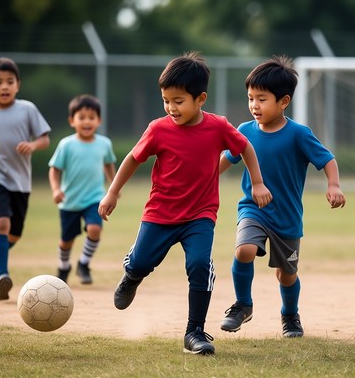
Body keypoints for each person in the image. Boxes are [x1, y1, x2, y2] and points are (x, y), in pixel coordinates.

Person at [98, 51, 272, 355]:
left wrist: (257, 183)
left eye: (179, 101)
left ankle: (194, 332)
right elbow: (132, 159)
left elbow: (245, 147)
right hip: (159, 213)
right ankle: (132, 274)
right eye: (166, 100)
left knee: (199, 266)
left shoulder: (218, 126)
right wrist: (113, 192)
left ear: (200, 98)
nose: (171, 108)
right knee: (140, 261)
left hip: (200, 216)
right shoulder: (158, 128)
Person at [219, 55, 346, 338]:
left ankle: (290, 315)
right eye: (251, 98)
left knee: (286, 274)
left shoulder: (299, 134)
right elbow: (227, 159)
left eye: (262, 99)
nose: (254, 105)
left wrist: (334, 185)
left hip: (287, 218)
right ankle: (242, 305)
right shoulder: (244, 131)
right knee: (244, 250)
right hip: (252, 209)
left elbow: (327, 159)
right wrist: (202, 176)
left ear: (284, 102)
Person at [0, 57, 51, 301]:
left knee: (14, 234)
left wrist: (32, 145)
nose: (4, 87)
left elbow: (45, 139)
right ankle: (3, 275)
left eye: (10, 82)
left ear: (18, 85)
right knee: (1, 224)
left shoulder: (27, 109)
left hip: (20, 181)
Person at [49, 94, 117, 284]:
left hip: (94, 198)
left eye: (91, 117)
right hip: (69, 201)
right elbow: (54, 170)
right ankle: (63, 267)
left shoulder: (104, 143)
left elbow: (109, 164)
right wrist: (56, 190)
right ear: (72, 120)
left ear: (99, 120)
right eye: (82, 117)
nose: (87, 121)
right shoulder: (66, 145)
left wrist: (113, 185)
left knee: (95, 229)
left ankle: (84, 264)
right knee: (66, 241)